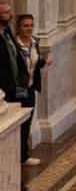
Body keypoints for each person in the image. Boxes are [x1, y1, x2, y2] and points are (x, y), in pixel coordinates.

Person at [11, 13, 46, 171]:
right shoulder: (14, 45)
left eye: (31, 25)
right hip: (19, 89)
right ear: (18, 27)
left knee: (28, 121)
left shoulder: (34, 42)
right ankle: (16, 156)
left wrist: (43, 62)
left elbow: (33, 63)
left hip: (30, 87)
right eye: (25, 25)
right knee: (19, 122)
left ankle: (23, 156)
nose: (29, 28)